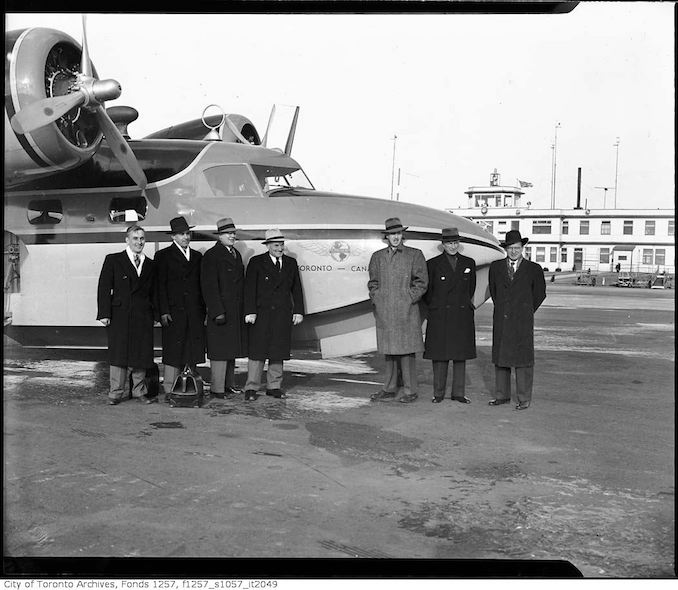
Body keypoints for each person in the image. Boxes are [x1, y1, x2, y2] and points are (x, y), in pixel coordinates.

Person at [368, 217, 428, 404]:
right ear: (387, 236)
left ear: (403, 235)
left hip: (407, 311)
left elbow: (421, 282)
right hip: (386, 311)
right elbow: (373, 283)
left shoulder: (414, 255)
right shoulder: (377, 257)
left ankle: (410, 391)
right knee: (390, 353)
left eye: (398, 233)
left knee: (407, 352)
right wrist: (378, 298)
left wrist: (409, 298)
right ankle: (389, 388)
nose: (395, 237)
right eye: (392, 234)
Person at [96, 225, 158, 405]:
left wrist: (155, 315)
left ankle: (139, 391)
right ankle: (115, 393)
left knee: (141, 353)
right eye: (135, 238)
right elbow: (104, 288)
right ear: (127, 240)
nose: (139, 242)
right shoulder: (114, 260)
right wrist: (104, 313)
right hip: (120, 314)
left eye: (142, 239)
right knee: (119, 354)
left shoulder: (150, 264)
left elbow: (154, 292)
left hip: (143, 315)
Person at [243, 229, 305, 401]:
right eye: (276, 245)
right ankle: (251, 388)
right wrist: (250, 311)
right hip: (261, 314)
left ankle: (274, 386)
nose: (280, 248)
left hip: (282, 314)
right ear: (268, 246)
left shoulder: (291, 263)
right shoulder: (256, 262)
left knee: (278, 351)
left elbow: (296, 289)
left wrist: (298, 311)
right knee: (257, 352)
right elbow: (249, 289)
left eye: (282, 245)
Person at [488, 230, 546, 411]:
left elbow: (540, 294)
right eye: (510, 248)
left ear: (523, 248)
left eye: (517, 248)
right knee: (501, 357)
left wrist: (525, 311)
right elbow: (494, 291)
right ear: (506, 248)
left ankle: (524, 398)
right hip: (502, 320)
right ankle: (501, 395)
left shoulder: (534, 269)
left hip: (522, 321)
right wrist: (505, 310)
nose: (514, 251)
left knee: (523, 360)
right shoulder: (496, 267)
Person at [423, 227, 476, 404]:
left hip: (461, 315)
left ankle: (458, 393)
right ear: (443, 244)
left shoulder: (469, 263)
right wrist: (437, 307)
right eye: (449, 243)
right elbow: (428, 292)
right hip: (440, 314)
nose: (453, 246)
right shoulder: (432, 264)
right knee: (440, 355)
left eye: (455, 242)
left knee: (460, 356)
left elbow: (470, 289)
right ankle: (438, 393)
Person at [155, 216, 206, 401]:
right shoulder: (163, 256)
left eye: (187, 233)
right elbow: (160, 286)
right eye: (181, 234)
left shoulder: (197, 257)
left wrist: (203, 310)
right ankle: (170, 389)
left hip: (193, 311)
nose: (185, 237)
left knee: (191, 348)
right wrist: (163, 310)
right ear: (173, 237)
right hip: (173, 312)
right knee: (173, 351)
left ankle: (190, 387)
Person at [201, 217, 247, 398]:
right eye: (228, 233)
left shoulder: (234, 254)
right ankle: (217, 388)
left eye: (234, 233)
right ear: (219, 235)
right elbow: (209, 287)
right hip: (220, 312)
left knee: (230, 350)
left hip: (234, 311)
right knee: (220, 352)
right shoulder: (212, 256)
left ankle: (229, 385)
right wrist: (217, 311)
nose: (232, 236)